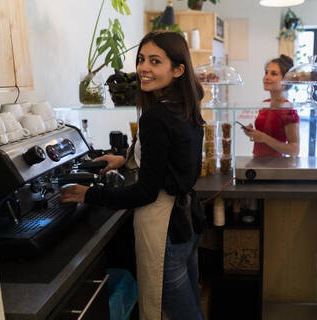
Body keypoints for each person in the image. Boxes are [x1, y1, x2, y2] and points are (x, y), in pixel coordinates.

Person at [60, 31, 205, 320]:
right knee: (190, 309)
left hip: (163, 227)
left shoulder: (155, 118)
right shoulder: (185, 107)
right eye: (141, 60)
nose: (143, 68)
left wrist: (89, 194)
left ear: (178, 70)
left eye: (155, 61)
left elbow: (145, 193)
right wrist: (125, 159)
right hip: (187, 223)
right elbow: (170, 157)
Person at [243, 54, 300, 157]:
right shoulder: (265, 104)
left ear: (285, 80)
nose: (266, 77)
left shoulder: (288, 109)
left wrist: (264, 138)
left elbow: (294, 150)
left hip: (275, 166)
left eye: (273, 74)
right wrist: (252, 133)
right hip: (257, 161)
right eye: (266, 72)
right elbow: (263, 136)